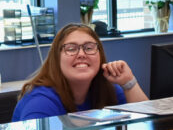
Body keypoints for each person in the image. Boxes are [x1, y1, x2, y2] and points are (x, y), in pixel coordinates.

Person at [12, 23, 148, 121]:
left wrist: (129, 83)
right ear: (56, 58)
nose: (81, 54)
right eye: (71, 49)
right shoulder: (41, 102)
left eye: (89, 48)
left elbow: (148, 126)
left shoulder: (109, 90)